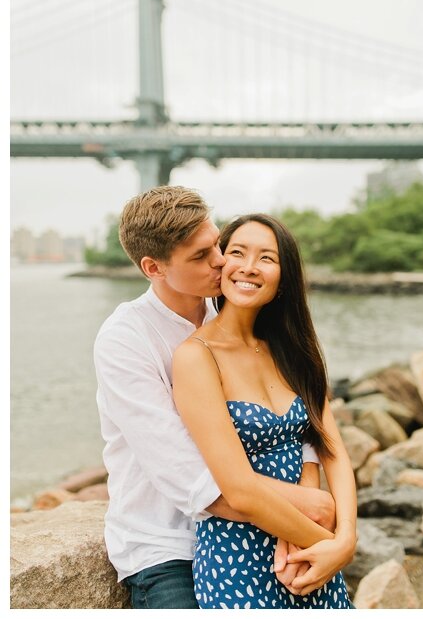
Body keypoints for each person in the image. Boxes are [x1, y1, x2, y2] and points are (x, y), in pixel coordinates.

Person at [94, 188, 340, 608]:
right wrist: (313, 518)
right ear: (153, 267)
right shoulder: (126, 340)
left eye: (217, 245)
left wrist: (297, 518)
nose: (222, 262)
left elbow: (295, 424)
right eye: (200, 256)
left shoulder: (232, 315)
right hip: (166, 545)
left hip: (256, 526)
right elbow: (191, 480)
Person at [171, 213, 356, 608]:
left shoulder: (295, 352)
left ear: (283, 278)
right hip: (238, 554)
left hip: (308, 550)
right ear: (221, 262)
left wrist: (348, 536)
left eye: (267, 258)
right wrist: (331, 546)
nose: (249, 268)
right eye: (237, 252)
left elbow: (331, 451)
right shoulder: (195, 357)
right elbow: (239, 489)